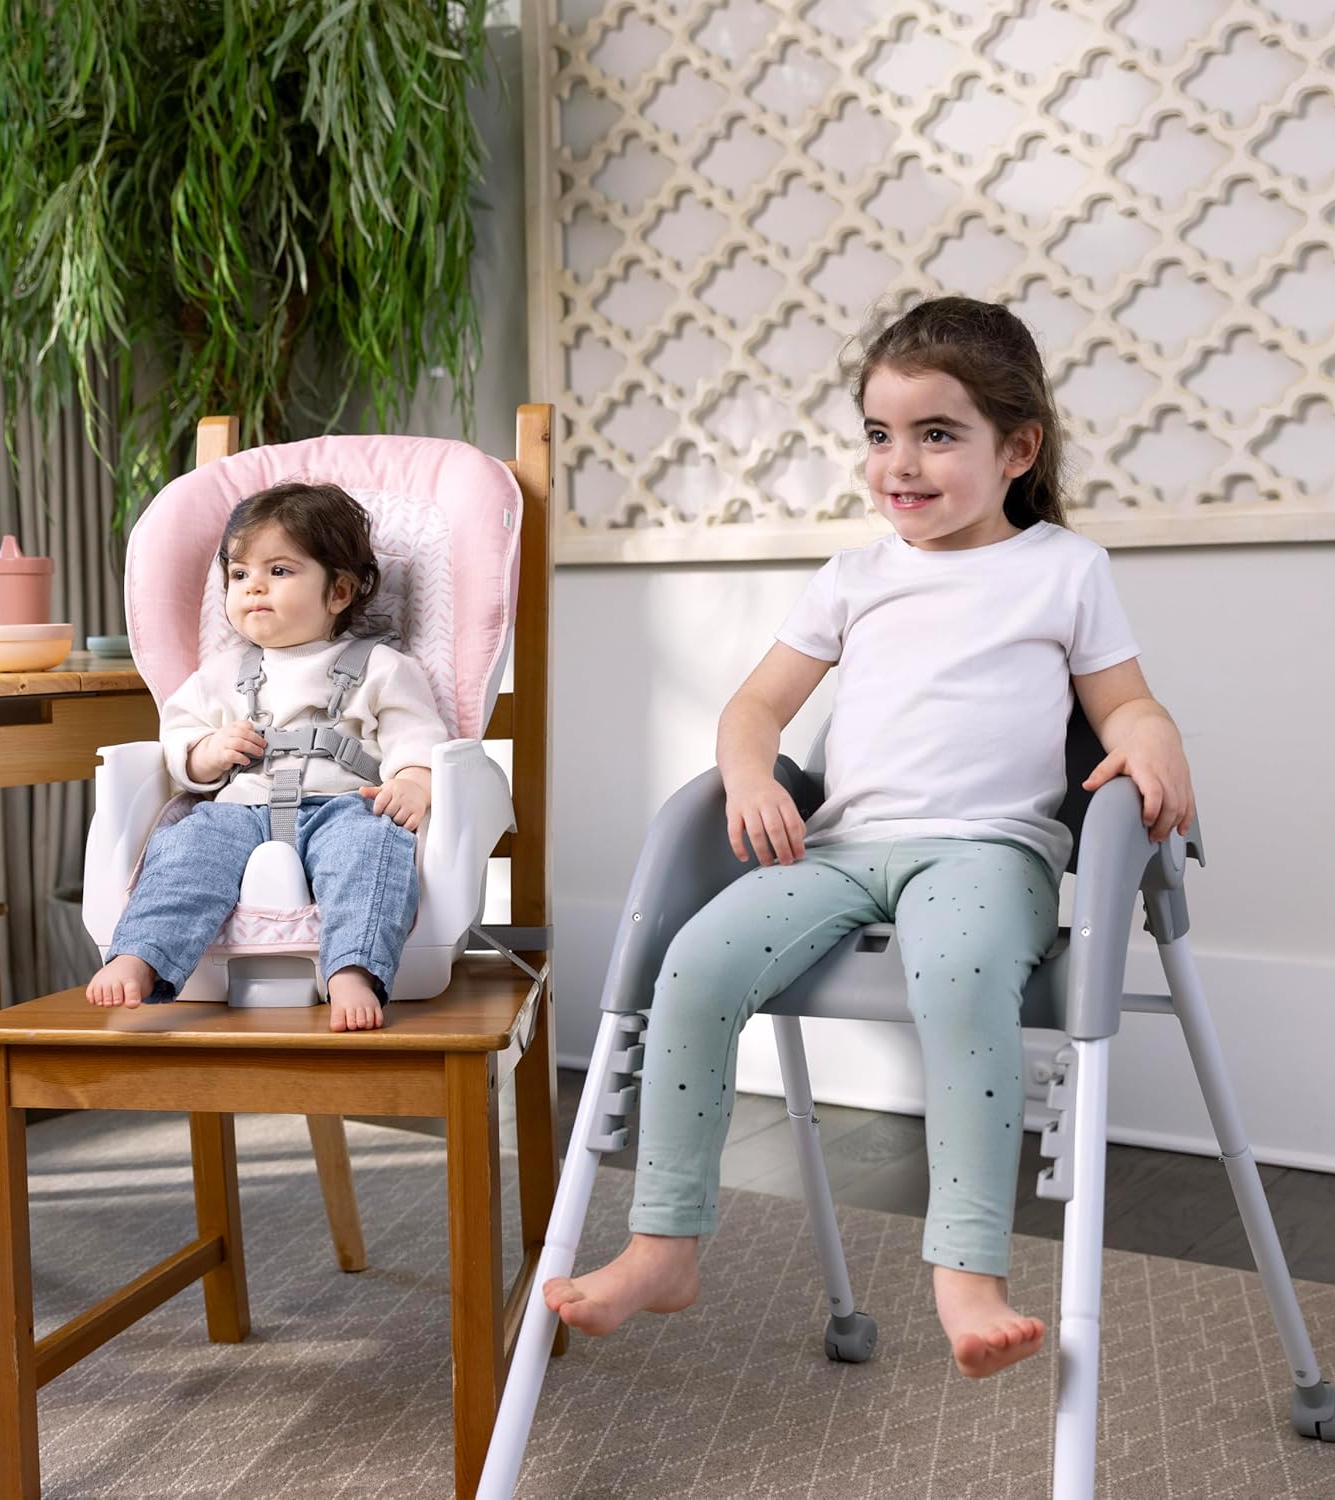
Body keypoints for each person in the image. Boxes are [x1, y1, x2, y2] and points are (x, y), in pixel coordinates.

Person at [544, 295, 1196, 1378]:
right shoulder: (854, 577)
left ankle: (968, 1272)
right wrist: (751, 775)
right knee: (695, 961)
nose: (902, 462)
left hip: (990, 851)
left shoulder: (1063, 568)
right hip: (842, 849)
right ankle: (663, 1243)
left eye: (937, 435)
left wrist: (1157, 736)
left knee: (959, 975)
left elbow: (1123, 703)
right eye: (880, 435)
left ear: (1017, 447)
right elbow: (754, 708)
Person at [86, 480, 448, 1032]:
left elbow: (414, 734)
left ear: (339, 592)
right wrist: (208, 753)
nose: (253, 587)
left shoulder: (381, 667)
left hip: (341, 806)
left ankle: (351, 969)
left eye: (278, 571)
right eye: (239, 575)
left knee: (372, 850)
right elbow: (179, 738)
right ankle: (141, 955)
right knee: (185, 851)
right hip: (237, 811)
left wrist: (415, 779)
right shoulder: (221, 675)